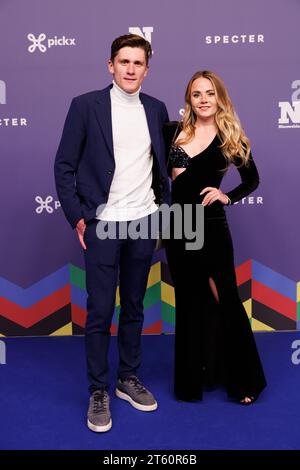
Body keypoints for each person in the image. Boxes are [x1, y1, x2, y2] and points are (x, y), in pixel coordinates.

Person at [54, 34, 170, 432]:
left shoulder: (156, 109)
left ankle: (128, 378)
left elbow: (162, 166)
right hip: (102, 222)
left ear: (146, 69)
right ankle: (98, 389)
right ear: (111, 65)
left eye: (138, 63)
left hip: (143, 221)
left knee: (135, 306)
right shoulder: (85, 105)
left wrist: (163, 213)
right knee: (101, 310)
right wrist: (77, 217)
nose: (131, 69)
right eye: (124, 62)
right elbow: (64, 165)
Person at [164, 70, 267, 405]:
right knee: (190, 303)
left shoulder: (230, 138)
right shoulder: (172, 132)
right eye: (197, 94)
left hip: (210, 227)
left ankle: (244, 380)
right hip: (179, 227)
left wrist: (228, 196)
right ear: (189, 100)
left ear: (220, 98)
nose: (204, 99)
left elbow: (252, 180)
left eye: (210, 93)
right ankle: (193, 381)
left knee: (224, 299)